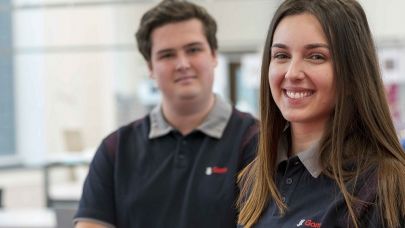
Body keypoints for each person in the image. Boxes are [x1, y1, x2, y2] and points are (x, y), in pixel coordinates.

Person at [74, 0, 258, 227]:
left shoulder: (256, 143)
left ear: (213, 55)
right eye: (167, 55)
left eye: (193, 50)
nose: (182, 64)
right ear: (150, 67)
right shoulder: (116, 150)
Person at [237, 0, 405, 227]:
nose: (292, 72)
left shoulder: (384, 185)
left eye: (316, 56)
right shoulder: (254, 178)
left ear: (353, 73)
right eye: (281, 56)